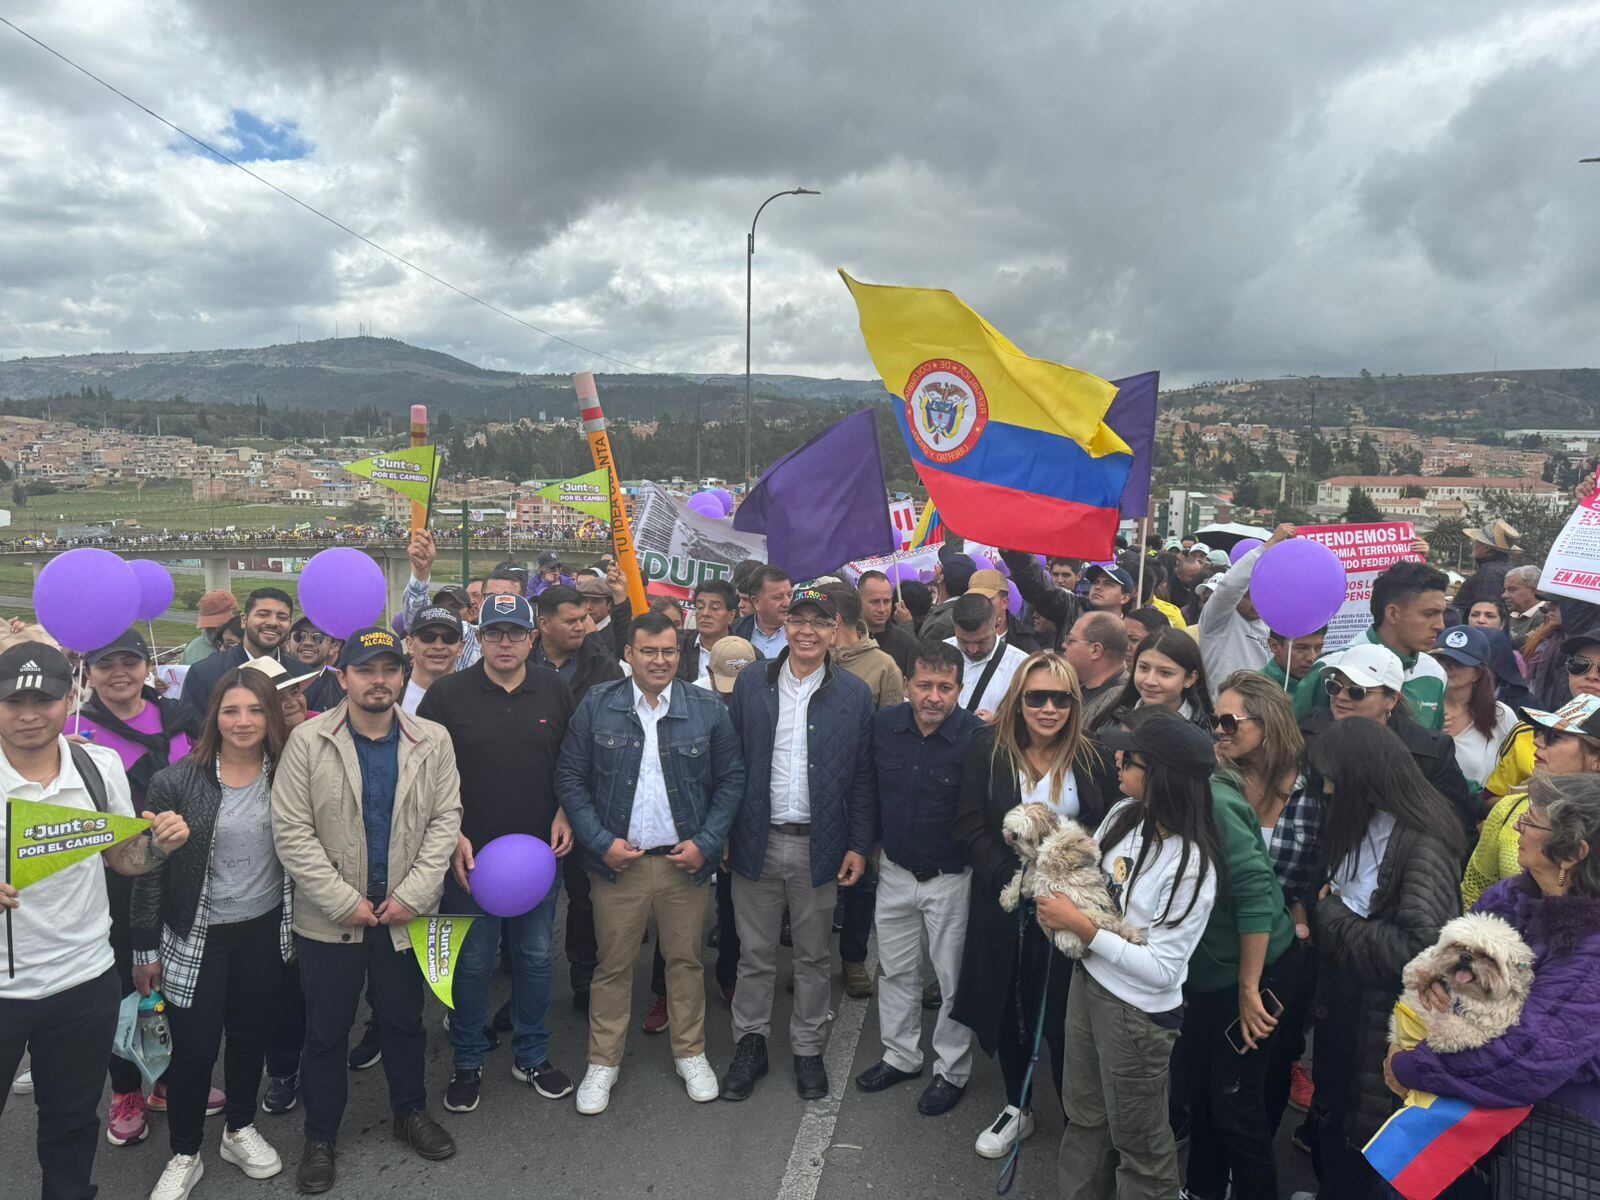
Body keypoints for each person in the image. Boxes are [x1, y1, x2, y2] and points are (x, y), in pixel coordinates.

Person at [270, 627, 461, 1194]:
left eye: (388, 670)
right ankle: (321, 1136)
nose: (378, 681)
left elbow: (445, 820)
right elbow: (291, 831)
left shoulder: (434, 739)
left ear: (402, 676)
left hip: (404, 914)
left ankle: (410, 1113)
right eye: (365, 670)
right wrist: (341, 900)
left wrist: (415, 895)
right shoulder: (308, 741)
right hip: (331, 919)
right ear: (342, 675)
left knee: (405, 1020)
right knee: (326, 1033)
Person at [0, 641, 191, 1200]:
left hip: (85, 980)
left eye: (45, 699)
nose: (30, 714)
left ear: (71, 697)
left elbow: (123, 859)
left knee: (72, 1122)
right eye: (13, 702)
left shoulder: (96, 763)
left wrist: (158, 846)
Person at [554, 611, 744, 1115]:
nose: (660, 661)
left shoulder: (705, 707)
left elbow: (731, 780)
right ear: (629, 655)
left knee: (686, 963)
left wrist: (707, 841)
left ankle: (691, 1053)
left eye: (668, 652)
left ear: (678, 656)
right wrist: (599, 841)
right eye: (649, 652)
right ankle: (603, 1062)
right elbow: (571, 778)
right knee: (613, 966)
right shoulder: (598, 705)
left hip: (686, 864)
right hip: (620, 865)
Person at [1044, 708, 1221, 1200]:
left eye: (1131, 758)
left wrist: (1081, 927)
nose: (1118, 760)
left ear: (1162, 776)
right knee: (1084, 1120)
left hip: (1137, 1016)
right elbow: (1089, 881)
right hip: (1088, 985)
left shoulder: (1192, 864)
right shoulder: (1123, 815)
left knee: (1140, 1147)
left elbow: (1164, 970)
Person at [132, 669, 294, 1198]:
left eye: (255, 710)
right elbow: (149, 869)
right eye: (231, 711)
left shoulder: (290, 771)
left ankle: (240, 1128)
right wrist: (144, 948)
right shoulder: (177, 780)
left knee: (250, 1037)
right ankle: (184, 1152)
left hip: (265, 927)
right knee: (195, 1050)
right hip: (196, 934)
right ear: (214, 717)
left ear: (271, 715)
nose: (243, 721)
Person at [416, 595, 576, 1114]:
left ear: (533, 637)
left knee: (533, 958)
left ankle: (531, 1054)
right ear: (477, 640)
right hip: (469, 861)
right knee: (472, 963)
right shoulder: (446, 695)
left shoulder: (554, 689)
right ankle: (468, 1060)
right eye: (493, 633)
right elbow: (423, 777)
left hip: (536, 862)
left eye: (515, 633)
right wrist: (451, 834)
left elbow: (572, 763)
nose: (504, 643)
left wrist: (565, 812)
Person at [720, 586, 874, 1103]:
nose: (807, 630)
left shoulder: (853, 694)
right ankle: (750, 1044)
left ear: (835, 631)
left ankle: (808, 1047)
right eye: (798, 618)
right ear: (785, 624)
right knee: (755, 953)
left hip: (820, 844)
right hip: (755, 839)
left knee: (812, 956)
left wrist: (857, 844)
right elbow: (730, 764)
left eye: (819, 621)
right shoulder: (751, 684)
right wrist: (723, 830)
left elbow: (862, 778)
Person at [1386, 773, 1600, 1142]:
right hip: (1459, 1100)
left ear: (1573, 852)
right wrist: (1432, 980)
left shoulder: (1588, 946)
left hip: (1547, 1132)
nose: (1518, 826)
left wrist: (1409, 1064)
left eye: (1530, 821)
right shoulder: (1510, 895)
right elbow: (1441, 956)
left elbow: (1526, 1061)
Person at [952, 651, 1107, 1159]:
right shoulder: (986, 751)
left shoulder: (1093, 757)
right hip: (1007, 904)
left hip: (1071, 907)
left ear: (1073, 703)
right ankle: (1018, 1105)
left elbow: (1107, 831)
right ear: (1017, 700)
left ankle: (1075, 1115)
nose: (1047, 708)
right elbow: (970, 825)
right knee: (1010, 1005)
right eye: (1035, 697)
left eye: (1059, 699)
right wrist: (1017, 875)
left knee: (1067, 1015)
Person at [1302, 717, 1463, 1200]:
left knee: (1366, 1133)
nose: (1326, 789)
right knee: (1332, 1111)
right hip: (1345, 1006)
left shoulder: (1423, 840)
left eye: (1334, 779)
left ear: (1365, 778)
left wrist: (1332, 917)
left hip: (1379, 1021)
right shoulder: (1362, 819)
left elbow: (1422, 951)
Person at [76, 630, 201, 1148]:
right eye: (107, 664)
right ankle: (126, 1087)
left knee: (180, 979)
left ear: (148, 666)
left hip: (185, 868)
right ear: (88, 672)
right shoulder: (74, 734)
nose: (120, 672)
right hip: (115, 880)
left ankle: (169, 1079)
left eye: (131, 660)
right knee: (127, 983)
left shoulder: (180, 717)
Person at [1176, 702, 1300, 1200]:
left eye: (1131, 759)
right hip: (1212, 974)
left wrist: (1250, 990)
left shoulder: (1215, 804)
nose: (1119, 766)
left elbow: (1253, 894)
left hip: (1258, 970)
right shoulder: (1168, 804)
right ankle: (1202, 1188)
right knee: (1206, 1090)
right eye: (1216, 722)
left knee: (1235, 1102)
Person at [855, 640, 984, 1117]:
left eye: (945, 687)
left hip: (951, 879)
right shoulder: (884, 726)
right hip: (893, 873)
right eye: (924, 685)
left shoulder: (978, 738)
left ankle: (951, 1070)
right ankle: (902, 1056)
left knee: (951, 981)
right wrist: (862, 847)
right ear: (906, 685)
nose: (934, 696)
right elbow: (866, 787)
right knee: (896, 971)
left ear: (959, 689)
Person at [1214, 671, 1322, 1134]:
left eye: (1229, 722)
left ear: (1267, 723)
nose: (1219, 731)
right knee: (1216, 1064)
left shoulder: (1314, 785)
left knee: (1271, 1061)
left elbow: (1326, 862)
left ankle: (1256, 1151)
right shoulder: (1216, 777)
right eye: (1214, 721)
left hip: (1284, 948)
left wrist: (1300, 908)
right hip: (1218, 941)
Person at [527, 585, 623, 1013]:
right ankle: (523, 983)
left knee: (585, 894)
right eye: (572, 621)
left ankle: (585, 976)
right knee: (527, 893)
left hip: (588, 800)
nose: (583, 626)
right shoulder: (520, 662)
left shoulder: (606, 668)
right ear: (544, 625)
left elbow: (614, 738)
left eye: (585, 618)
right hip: (529, 796)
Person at [1302, 642, 1475, 850]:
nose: (1341, 697)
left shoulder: (1430, 752)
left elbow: (1457, 824)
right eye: (1334, 687)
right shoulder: (1311, 735)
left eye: (1357, 691)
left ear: (1392, 699)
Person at [1462, 693, 1600, 909]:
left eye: (1554, 737)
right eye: (1540, 732)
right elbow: (1474, 890)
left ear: (1596, 759)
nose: (1537, 741)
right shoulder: (1510, 808)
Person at [1297, 561, 1450, 730]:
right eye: (1429, 614)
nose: (1440, 625)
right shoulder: (1329, 668)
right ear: (1393, 613)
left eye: (1442, 613)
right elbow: (1294, 742)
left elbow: (1434, 748)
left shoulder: (1435, 674)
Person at [1198, 523, 1296, 694]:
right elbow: (1229, 587)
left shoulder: (1273, 626)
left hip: (1261, 710)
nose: (1255, 603)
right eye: (1246, 597)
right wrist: (1268, 545)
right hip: (1222, 712)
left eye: (1260, 596)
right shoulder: (1217, 621)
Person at [183, 588, 294, 721]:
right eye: (263, 614)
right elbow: (192, 734)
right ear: (244, 620)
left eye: (282, 617)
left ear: (289, 625)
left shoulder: (303, 676)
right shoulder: (203, 675)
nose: (272, 622)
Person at [1433, 625, 1520, 793]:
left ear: (1478, 673)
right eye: (1441, 659)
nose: (1447, 666)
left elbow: (1515, 769)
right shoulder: (1421, 706)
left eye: (1458, 662)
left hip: (1475, 814)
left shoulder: (1500, 715)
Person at [1093, 627, 1215, 733]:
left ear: (1190, 678)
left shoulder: (1206, 731)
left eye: (1165, 673)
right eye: (1144, 668)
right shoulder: (1113, 719)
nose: (1150, 681)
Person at [947, 592, 1029, 722]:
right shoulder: (938, 654)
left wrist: (998, 724)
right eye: (963, 641)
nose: (972, 650)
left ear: (997, 623)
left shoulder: (1020, 665)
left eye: (981, 641)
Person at [822, 583, 903, 710]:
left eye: (819, 619)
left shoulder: (884, 666)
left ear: (835, 620)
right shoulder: (812, 659)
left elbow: (890, 724)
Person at [1061, 611, 1129, 728]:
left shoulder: (1117, 705)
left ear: (1095, 650)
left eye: (1070, 641)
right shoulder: (1079, 687)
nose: (1064, 645)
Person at [1452, 518, 1521, 618]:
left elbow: (1483, 611)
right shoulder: (1505, 568)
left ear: (1486, 548)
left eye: (1476, 541)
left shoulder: (1489, 572)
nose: (1473, 545)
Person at [400, 606, 462, 715]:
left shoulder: (477, 698)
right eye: (428, 637)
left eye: (449, 638)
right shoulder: (390, 694)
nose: (438, 646)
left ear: (461, 647)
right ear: (410, 644)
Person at [677, 579, 741, 685]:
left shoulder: (745, 653)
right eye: (700, 607)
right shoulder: (678, 645)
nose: (705, 613)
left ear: (731, 616)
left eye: (715, 608)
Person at [857, 570, 919, 675]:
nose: (882, 609)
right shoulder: (844, 640)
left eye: (886, 601)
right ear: (858, 600)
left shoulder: (908, 645)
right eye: (874, 602)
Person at [730, 566, 792, 658]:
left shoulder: (803, 632)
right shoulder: (734, 630)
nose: (787, 603)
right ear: (756, 602)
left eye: (789, 595)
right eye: (778, 597)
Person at [919, 550, 978, 644]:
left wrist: (906, 625)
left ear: (941, 578)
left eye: (941, 566)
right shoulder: (963, 607)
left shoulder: (941, 625)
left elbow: (920, 654)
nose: (937, 567)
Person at [1263, 626, 1327, 699]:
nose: (1312, 657)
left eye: (1318, 648)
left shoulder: (1329, 686)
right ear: (1274, 646)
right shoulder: (1254, 690)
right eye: (1301, 648)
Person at [182, 591, 240, 665]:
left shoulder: (252, 645)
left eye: (219, 625)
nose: (214, 631)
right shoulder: (192, 650)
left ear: (237, 615)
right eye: (209, 626)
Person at [1501, 564, 1546, 649]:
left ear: (1534, 591)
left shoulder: (1545, 617)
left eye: (1512, 589)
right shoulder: (1514, 614)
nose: (1504, 595)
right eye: (1505, 590)